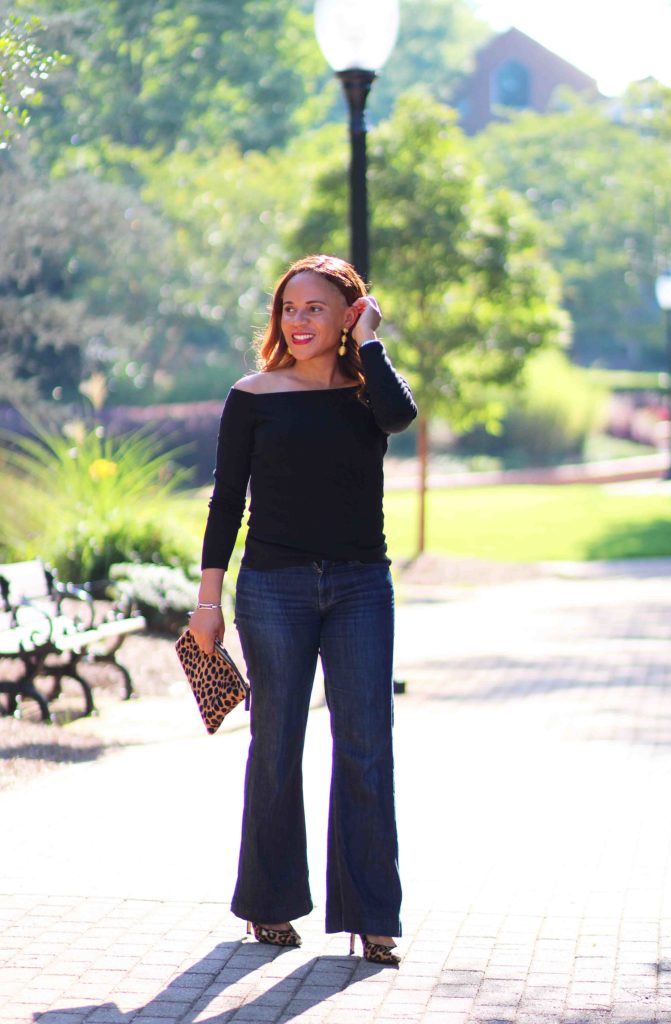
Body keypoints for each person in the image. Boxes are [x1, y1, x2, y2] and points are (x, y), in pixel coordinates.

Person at [189, 253, 417, 966]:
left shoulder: (364, 390)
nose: (298, 321)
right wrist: (207, 601)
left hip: (358, 588)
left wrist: (371, 343)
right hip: (273, 590)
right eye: (289, 308)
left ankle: (371, 917)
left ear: (348, 313)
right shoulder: (251, 394)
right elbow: (227, 502)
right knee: (276, 743)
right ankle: (267, 906)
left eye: (315, 308)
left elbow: (400, 416)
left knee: (364, 747)